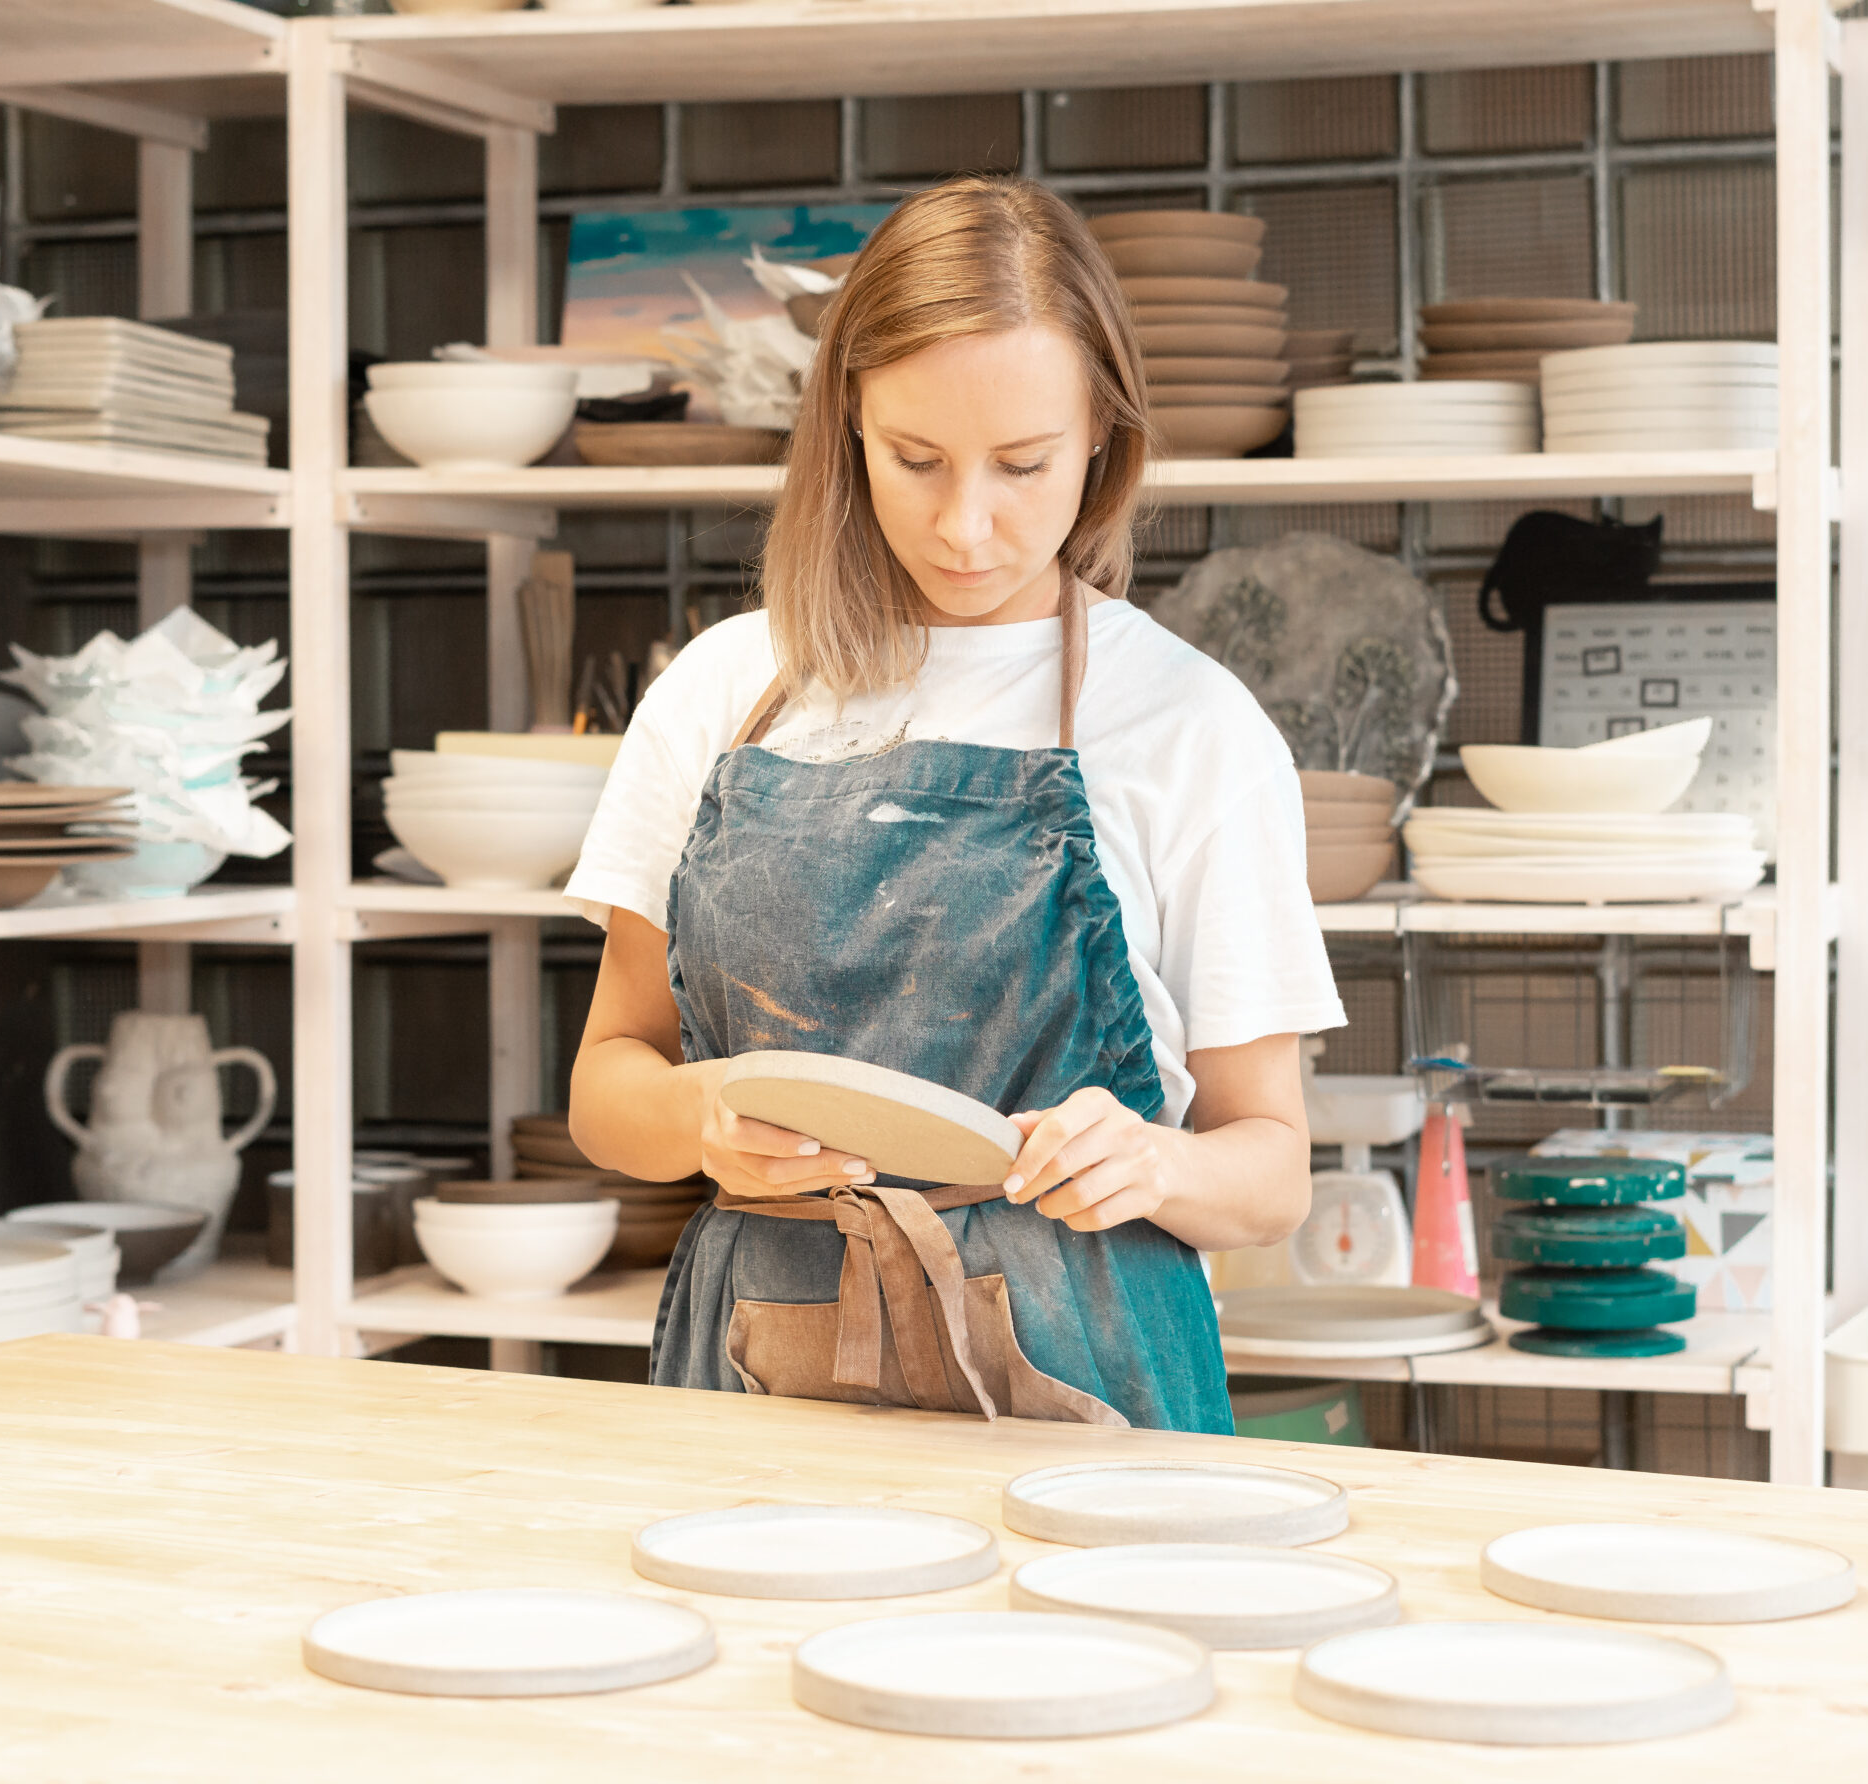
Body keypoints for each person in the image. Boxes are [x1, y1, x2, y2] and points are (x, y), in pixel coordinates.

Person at [564, 177, 1344, 1433]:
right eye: (914, 459)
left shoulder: (1190, 723)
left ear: (1101, 438)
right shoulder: (721, 691)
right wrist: (697, 1116)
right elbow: (608, 1081)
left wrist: (1160, 1161)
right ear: (847, 427)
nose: (966, 524)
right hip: (762, 1371)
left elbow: (1271, 1172)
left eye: (1023, 464)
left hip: (1090, 1385)